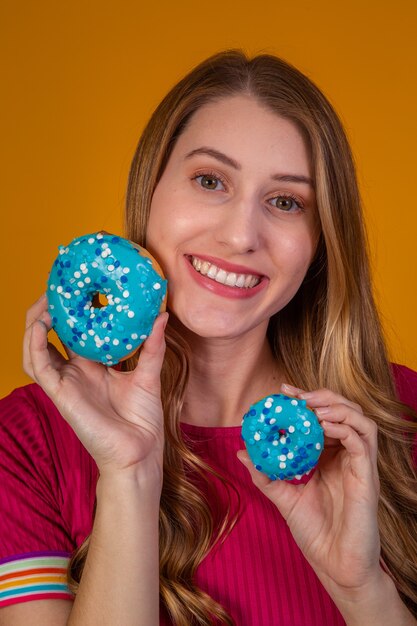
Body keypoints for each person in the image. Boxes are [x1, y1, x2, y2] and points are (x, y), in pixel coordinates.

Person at [1, 50, 417, 626]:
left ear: (321, 239)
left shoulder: (395, 426)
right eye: (210, 181)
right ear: (151, 189)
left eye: (285, 201)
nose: (242, 235)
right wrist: (129, 476)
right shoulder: (29, 442)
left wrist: (363, 589)